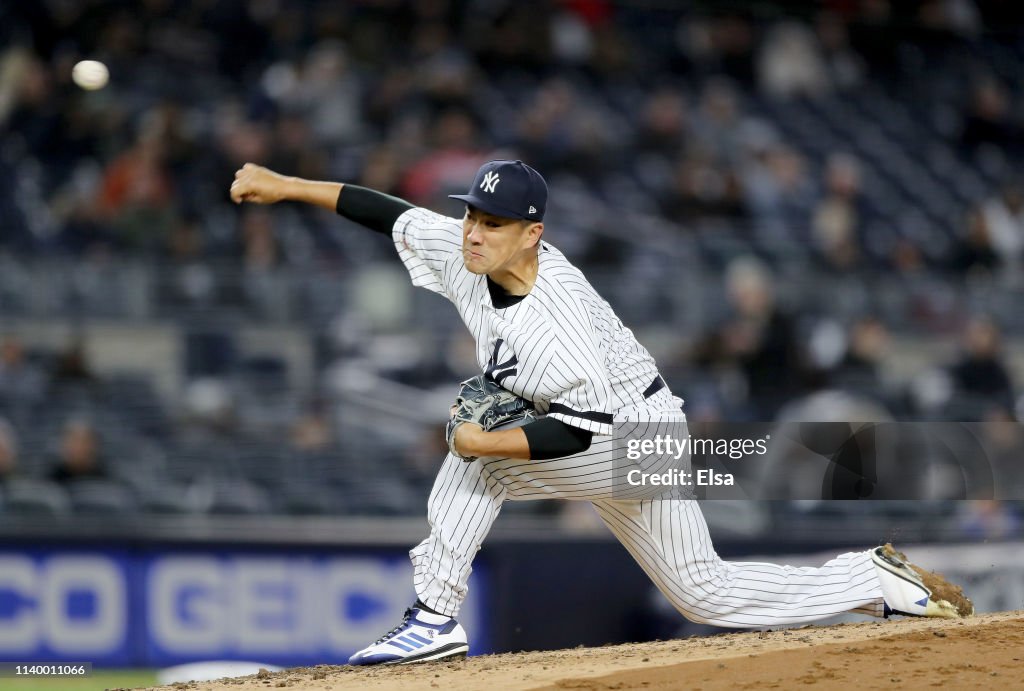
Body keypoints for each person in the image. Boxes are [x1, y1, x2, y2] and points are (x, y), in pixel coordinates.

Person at [229, 159, 971, 667]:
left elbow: (578, 430)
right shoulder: (469, 251)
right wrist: (284, 184)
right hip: (633, 427)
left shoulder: (553, 323)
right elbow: (385, 210)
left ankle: (433, 615)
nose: (473, 230)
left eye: (492, 221)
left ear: (533, 233)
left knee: (477, 457)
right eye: (471, 215)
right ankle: (873, 580)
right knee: (702, 590)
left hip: (630, 435)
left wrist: (486, 437)